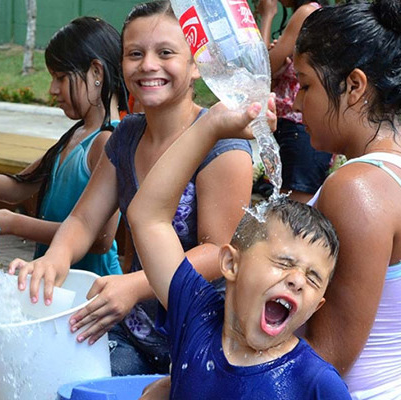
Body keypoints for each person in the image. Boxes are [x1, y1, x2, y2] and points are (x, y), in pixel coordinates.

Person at [10, 0, 255, 375]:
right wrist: (53, 259)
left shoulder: (223, 145)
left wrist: (134, 286)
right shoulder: (126, 135)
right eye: (135, 54)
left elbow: (218, 252)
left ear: (196, 66)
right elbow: (84, 219)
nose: (148, 65)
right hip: (134, 328)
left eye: (166, 53)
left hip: (204, 339)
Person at [127, 101, 350, 399]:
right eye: (284, 263)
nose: (297, 280)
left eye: (313, 278)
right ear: (231, 263)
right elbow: (147, 217)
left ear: (316, 306)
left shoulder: (315, 383)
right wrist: (210, 128)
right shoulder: (195, 315)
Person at [293, 1, 401, 397]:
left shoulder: (358, 188)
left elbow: (325, 359)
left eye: (305, 85)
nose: (296, 103)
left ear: (354, 86)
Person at [0, 16, 126, 279]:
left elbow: (101, 239)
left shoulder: (107, 141)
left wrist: (14, 223)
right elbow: (19, 186)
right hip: (58, 282)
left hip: (90, 288)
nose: (52, 89)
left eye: (61, 77)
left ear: (96, 72)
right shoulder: (74, 136)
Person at [257, 0, 332, 203]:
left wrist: (267, 16)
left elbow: (262, 68)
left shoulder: (306, 12)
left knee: (293, 214)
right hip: (300, 130)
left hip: (298, 130)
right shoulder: (316, 13)